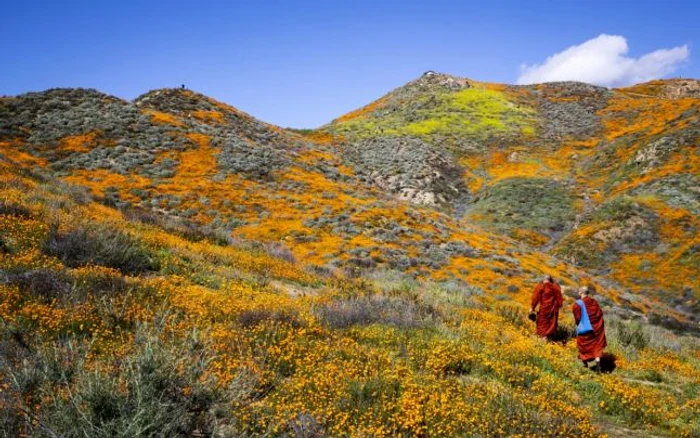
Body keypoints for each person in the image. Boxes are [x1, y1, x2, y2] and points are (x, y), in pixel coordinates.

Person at [573, 286, 607, 372]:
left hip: (586, 329)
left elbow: (577, 317)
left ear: (580, 293)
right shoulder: (594, 302)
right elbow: (600, 314)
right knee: (596, 346)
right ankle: (598, 364)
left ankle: (584, 363)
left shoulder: (578, 304)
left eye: (578, 292)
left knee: (583, 344)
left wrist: (579, 325)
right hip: (596, 329)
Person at [529, 275, 564, 340]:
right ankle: (548, 339)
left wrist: (532, 307)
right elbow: (559, 300)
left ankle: (543, 340)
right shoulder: (555, 287)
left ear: (543, 280)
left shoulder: (541, 286)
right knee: (550, 324)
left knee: (542, 324)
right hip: (553, 310)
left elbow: (535, 298)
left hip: (544, 309)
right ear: (550, 280)